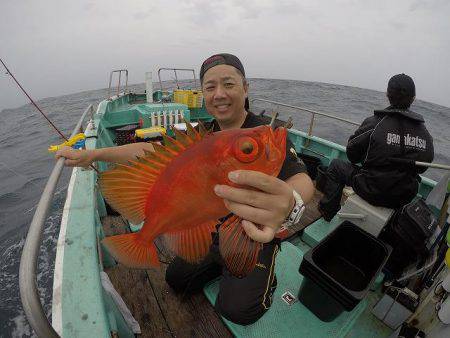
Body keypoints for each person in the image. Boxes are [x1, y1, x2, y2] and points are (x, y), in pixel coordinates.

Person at [56, 53, 315, 325]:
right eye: (210, 87)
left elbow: (301, 180)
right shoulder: (202, 133)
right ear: (202, 93)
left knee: (238, 310)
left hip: (254, 236)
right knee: (176, 279)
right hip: (210, 227)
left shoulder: (261, 135)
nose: (219, 94)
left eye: (228, 84)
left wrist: (292, 201)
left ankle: (264, 273)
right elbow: (151, 151)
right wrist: (93, 156)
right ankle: (221, 259)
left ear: (245, 88)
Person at [318, 73, 434, 222]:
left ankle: (327, 212)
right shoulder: (425, 134)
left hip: (371, 189)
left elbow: (352, 155)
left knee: (335, 166)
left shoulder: (375, 123)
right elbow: (423, 167)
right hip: (404, 195)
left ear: (387, 94)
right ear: (413, 98)